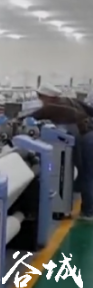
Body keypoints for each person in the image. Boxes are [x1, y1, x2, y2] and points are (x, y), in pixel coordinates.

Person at [30, 84, 93, 219]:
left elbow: (30, 118)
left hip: (85, 140)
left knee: (86, 175)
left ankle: (88, 212)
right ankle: (85, 206)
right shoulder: (72, 100)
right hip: (90, 135)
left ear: (47, 97)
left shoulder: (51, 107)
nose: (40, 100)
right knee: (87, 174)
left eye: (40, 97)